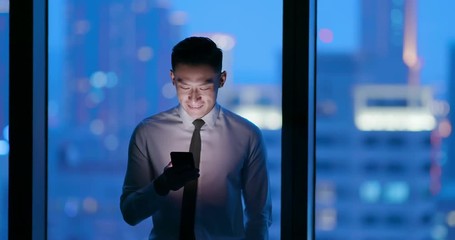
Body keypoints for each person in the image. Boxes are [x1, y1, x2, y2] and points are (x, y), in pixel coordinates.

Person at [120, 36, 272, 240]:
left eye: (204, 87)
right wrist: (162, 185)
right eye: (184, 87)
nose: (193, 98)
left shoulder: (247, 135)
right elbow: (130, 213)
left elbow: (258, 216)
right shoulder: (148, 133)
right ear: (173, 79)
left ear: (222, 79)